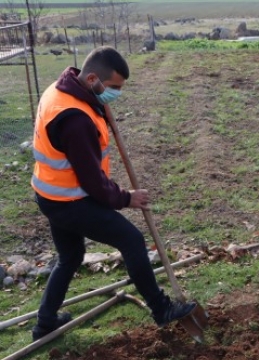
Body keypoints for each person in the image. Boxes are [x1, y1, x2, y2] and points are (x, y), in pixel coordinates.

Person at [30, 46, 196, 341]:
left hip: (49, 193)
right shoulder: (75, 119)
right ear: (92, 78)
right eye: (114, 88)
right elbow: (94, 183)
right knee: (131, 240)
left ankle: (45, 322)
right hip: (70, 201)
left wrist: (97, 105)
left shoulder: (61, 88)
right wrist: (126, 198)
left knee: (70, 256)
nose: (116, 94)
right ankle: (161, 309)